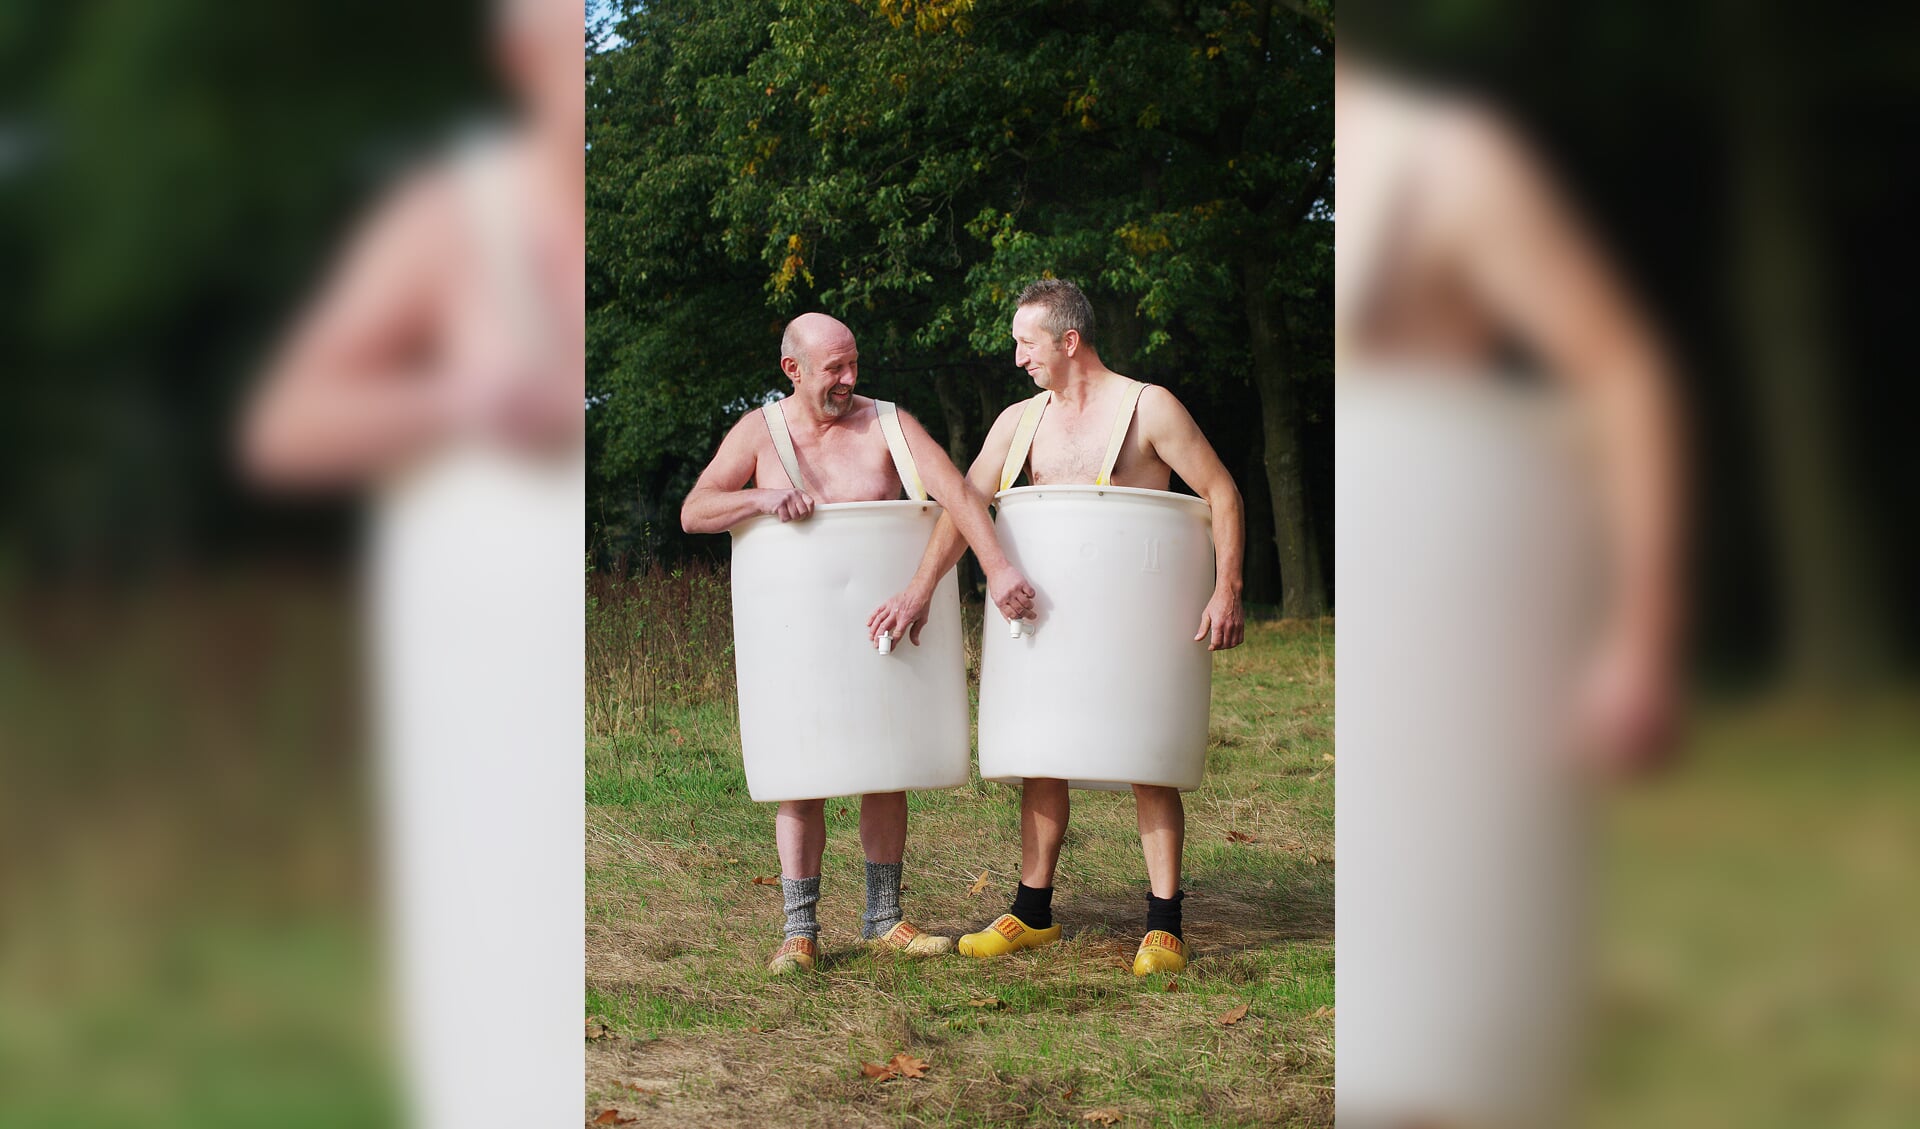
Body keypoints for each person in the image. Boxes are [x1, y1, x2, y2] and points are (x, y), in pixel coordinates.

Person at [240, 3, 585, 1125]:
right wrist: (454, 399)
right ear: (513, 60)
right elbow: (286, 422)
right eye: (558, 35)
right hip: (475, 686)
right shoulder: (450, 220)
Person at [868, 278, 1246, 978]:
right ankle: (1033, 912)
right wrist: (921, 589)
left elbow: (1221, 491)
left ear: (1069, 342)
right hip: (1042, 623)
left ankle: (1165, 925)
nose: (1017, 358)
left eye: (1026, 343)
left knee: (1147, 758)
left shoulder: (1148, 408)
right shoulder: (1018, 423)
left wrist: (1227, 587)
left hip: (1134, 620)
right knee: (1041, 756)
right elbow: (965, 505)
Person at [681, 312, 1037, 974]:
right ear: (794, 370)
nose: (849, 379)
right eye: (833, 368)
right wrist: (760, 497)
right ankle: (799, 929)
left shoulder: (888, 424)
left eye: (853, 364)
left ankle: (884, 918)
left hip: (883, 627)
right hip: (795, 633)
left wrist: (997, 567)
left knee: (886, 765)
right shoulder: (758, 433)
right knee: (801, 775)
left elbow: (958, 494)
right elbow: (694, 509)